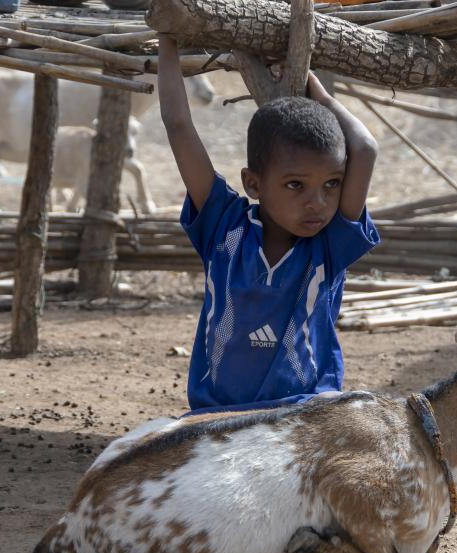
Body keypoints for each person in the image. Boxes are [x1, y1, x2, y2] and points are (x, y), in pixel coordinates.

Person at [158, 35, 380, 414]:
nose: (318, 202)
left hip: (303, 415)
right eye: (296, 185)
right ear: (253, 183)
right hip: (217, 415)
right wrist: (167, 39)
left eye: (332, 184)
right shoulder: (223, 227)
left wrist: (321, 96)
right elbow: (178, 126)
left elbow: (365, 150)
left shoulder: (330, 245)